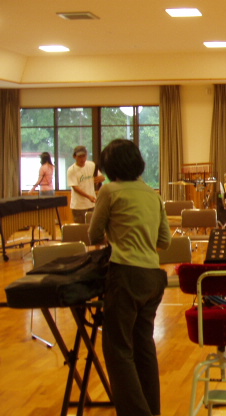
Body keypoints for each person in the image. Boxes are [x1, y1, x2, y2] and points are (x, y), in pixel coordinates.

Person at [89, 139, 171, 416]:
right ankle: (152, 410)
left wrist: (117, 238)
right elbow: (164, 241)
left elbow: (93, 234)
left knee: (118, 350)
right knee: (143, 346)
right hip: (153, 277)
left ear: (109, 167)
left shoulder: (109, 190)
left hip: (125, 274)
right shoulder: (152, 193)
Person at [67, 145, 105, 223]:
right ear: (74, 156)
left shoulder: (91, 165)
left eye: (84, 156)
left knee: (93, 226)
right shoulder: (71, 170)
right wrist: (88, 196)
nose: (82, 159)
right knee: (81, 228)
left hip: (92, 204)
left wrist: (101, 178)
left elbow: (101, 177)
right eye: (79, 156)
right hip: (78, 206)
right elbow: (75, 187)